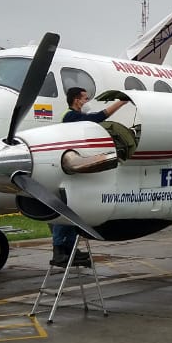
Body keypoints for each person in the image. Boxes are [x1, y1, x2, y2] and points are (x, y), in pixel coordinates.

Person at [50, 86, 130, 268]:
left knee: (74, 211)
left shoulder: (75, 118)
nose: (87, 101)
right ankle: (59, 250)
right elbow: (97, 118)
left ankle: (70, 249)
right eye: (85, 98)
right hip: (68, 169)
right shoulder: (71, 117)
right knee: (66, 211)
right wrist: (121, 103)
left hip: (76, 169)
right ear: (76, 100)